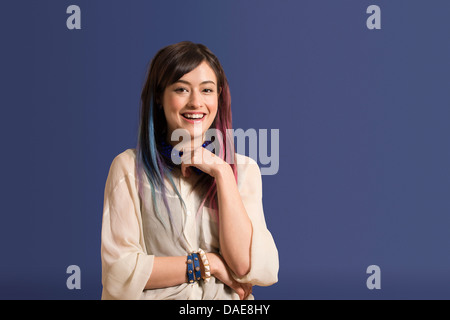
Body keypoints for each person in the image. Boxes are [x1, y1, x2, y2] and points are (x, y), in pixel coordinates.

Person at [100, 41, 278, 300]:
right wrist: (209, 264)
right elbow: (121, 270)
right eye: (181, 89)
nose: (196, 102)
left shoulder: (244, 170)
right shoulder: (129, 168)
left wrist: (222, 172)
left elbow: (244, 266)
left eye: (207, 90)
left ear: (219, 96)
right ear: (160, 98)